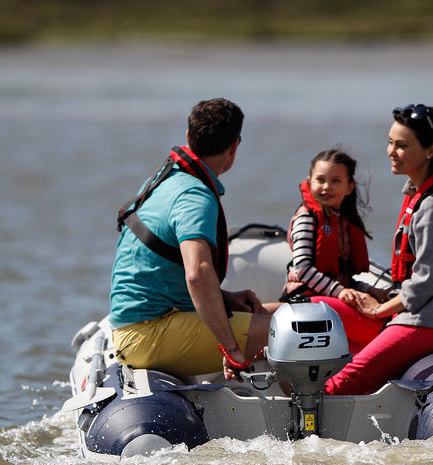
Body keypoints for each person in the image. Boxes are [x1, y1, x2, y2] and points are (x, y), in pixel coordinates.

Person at [324, 104, 433, 395]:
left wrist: (379, 310)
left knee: (341, 382)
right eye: (390, 142)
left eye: (402, 145)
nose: (390, 152)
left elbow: (424, 283)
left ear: (430, 151)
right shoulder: (419, 194)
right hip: (421, 312)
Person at [109, 98, 270, 381]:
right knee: (297, 331)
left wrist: (225, 298)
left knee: (283, 312)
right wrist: (230, 348)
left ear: (188, 137)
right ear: (235, 147)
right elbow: (197, 274)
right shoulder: (195, 196)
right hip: (148, 334)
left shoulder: (167, 179)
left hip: (135, 326)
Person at [278, 148, 388, 350]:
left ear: (349, 187)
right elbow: (302, 269)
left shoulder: (343, 223)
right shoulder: (306, 217)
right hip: (307, 301)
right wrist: (339, 292)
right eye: (320, 180)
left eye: (336, 181)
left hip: (330, 297)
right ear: (309, 182)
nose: (327, 187)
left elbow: (342, 277)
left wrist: (368, 289)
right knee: (380, 330)